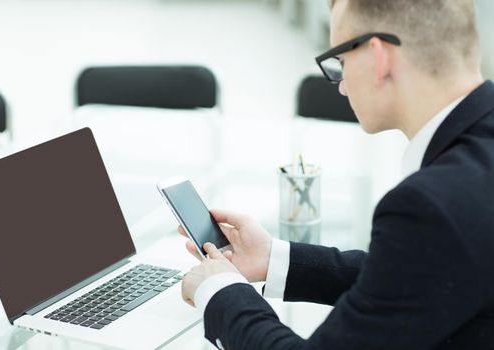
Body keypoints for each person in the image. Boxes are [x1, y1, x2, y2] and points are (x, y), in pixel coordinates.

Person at [179, 0, 494, 348]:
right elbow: (420, 273)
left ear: (378, 58)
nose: (341, 85)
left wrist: (222, 291)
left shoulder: (432, 204)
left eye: (341, 62)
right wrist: (273, 258)